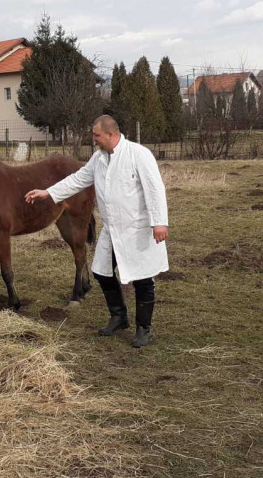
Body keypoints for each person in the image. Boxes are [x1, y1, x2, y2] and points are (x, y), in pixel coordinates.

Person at [25, 115, 168, 348]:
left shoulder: (138, 154)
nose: (93, 139)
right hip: (112, 229)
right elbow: (78, 179)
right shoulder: (99, 158)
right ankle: (119, 316)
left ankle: (144, 328)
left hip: (137, 228)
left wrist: (159, 222)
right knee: (102, 272)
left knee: (142, 277)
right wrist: (48, 192)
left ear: (111, 134)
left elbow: (155, 188)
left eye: (96, 135)